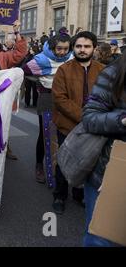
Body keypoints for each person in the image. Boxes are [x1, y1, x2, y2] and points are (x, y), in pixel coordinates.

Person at [51, 31, 105, 214]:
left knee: (87, 161)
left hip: (95, 127)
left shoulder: (103, 70)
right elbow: (60, 99)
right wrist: (84, 117)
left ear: (94, 48)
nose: (82, 50)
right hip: (68, 125)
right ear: (74, 48)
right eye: (79, 46)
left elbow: (108, 96)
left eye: (87, 46)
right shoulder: (64, 70)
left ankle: (78, 194)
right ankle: (59, 195)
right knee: (65, 160)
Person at [82, 50, 126, 247]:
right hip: (110, 174)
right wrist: (122, 120)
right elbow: (90, 118)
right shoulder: (114, 74)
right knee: (102, 239)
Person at [23, 34, 73, 184]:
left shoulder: (71, 58)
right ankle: (40, 166)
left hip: (66, 99)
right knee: (45, 134)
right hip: (47, 98)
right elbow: (24, 71)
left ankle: (62, 169)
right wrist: (40, 80)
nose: (63, 52)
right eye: (59, 49)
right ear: (52, 48)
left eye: (66, 49)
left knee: (64, 133)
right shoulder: (41, 59)